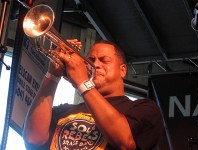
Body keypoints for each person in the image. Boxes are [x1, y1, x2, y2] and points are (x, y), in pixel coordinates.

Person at [23, 39, 164, 150]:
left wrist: (83, 82)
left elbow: (125, 141)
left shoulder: (144, 108)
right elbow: (33, 139)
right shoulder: (63, 111)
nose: (95, 65)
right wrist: (52, 75)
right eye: (91, 60)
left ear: (122, 70)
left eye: (104, 60)